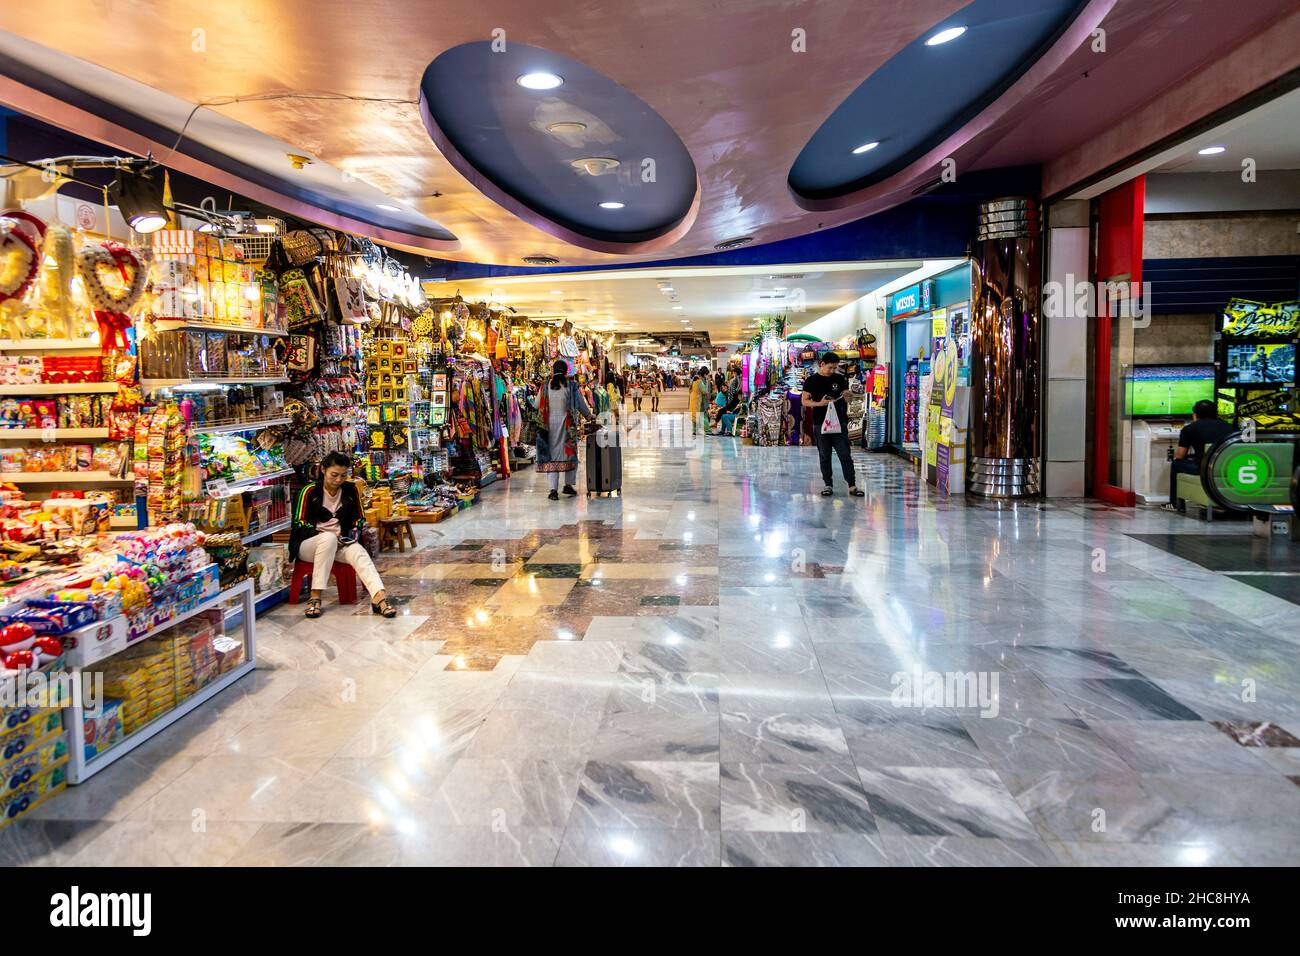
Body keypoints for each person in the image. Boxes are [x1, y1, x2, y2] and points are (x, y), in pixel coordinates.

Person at [290, 451, 395, 618]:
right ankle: (315, 595)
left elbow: (359, 519)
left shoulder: (350, 490)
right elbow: (299, 523)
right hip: (309, 545)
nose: (338, 480)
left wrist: (349, 536)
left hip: (340, 542)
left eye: (343, 475)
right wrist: (325, 534)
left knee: (359, 552)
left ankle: (379, 596)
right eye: (334, 475)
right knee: (328, 538)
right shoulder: (309, 492)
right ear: (323, 470)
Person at [802, 351, 865, 497]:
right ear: (822, 364)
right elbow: (804, 401)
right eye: (830, 367)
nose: (832, 371)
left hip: (839, 423)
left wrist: (849, 396)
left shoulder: (839, 378)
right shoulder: (811, 381)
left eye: (835, 368)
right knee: (825, 455)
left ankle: (852, 485)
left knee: (845, 455)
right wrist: (820, 403)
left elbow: (847, 398)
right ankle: (828, 484)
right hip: (820, 424)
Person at [536, 358, 595, 500]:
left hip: (548, 426)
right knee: (569, 453)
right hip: (567, 425)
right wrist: (589, 416)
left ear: (553, 371)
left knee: (551, 457)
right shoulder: (572, 385)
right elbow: (580, 404)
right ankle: (568, 485)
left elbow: (537, 403)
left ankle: (553, 490)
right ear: (567, 371)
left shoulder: (545, 386)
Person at [1163, 399, 1235, 512]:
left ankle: (1175, 504)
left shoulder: (1190, 429)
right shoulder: (1230, 427)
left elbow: (1180, 455)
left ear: (1195, 415)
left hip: (1205, 469)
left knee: (1176, 464)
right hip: (1228, 468)